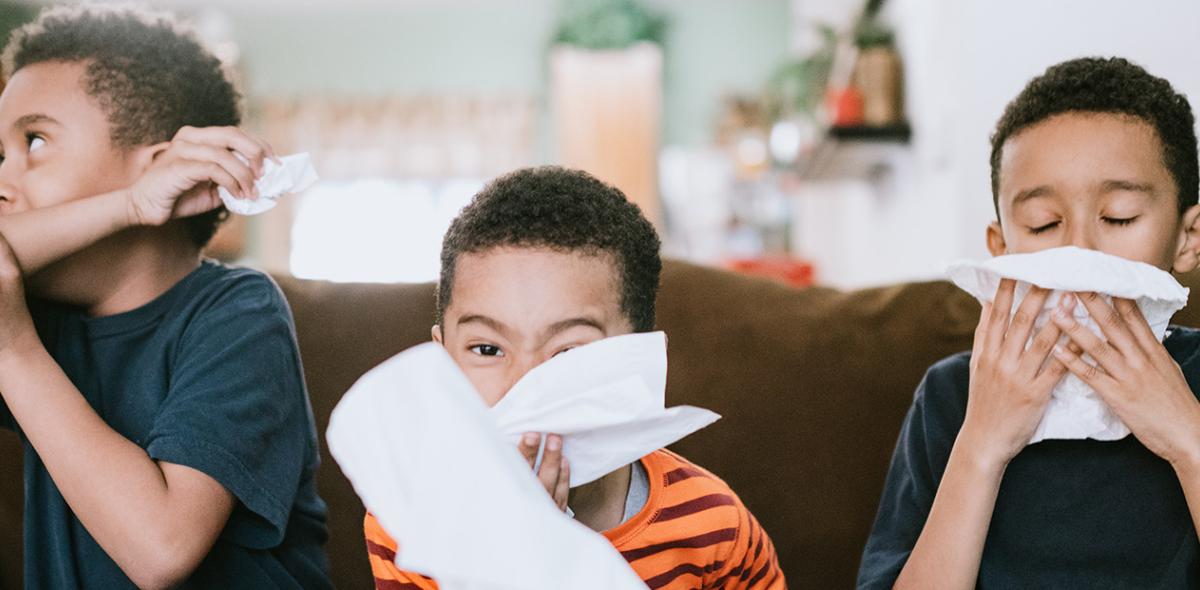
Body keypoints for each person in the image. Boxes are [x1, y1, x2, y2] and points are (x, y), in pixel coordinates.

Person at [0, 5, 331, 588]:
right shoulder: (39, 320)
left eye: (34, 140)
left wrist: (13, 354)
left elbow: (162, 548)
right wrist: (126, 204)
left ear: (160, 170)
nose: (4, 180)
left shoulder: (239, 310)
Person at [858, 56, 1200, 588]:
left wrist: (1186, 436)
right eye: (1043, 224)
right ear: (1001, 250)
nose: (1080, 249)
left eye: (1119, 217)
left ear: (1188, 237)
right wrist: (983, 443)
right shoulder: (952, 396)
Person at [364, 166, 786, 590]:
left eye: (567, 353)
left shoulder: (716, 527)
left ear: (633, 361)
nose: (525, 384)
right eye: (488, 350)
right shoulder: (407, 521)